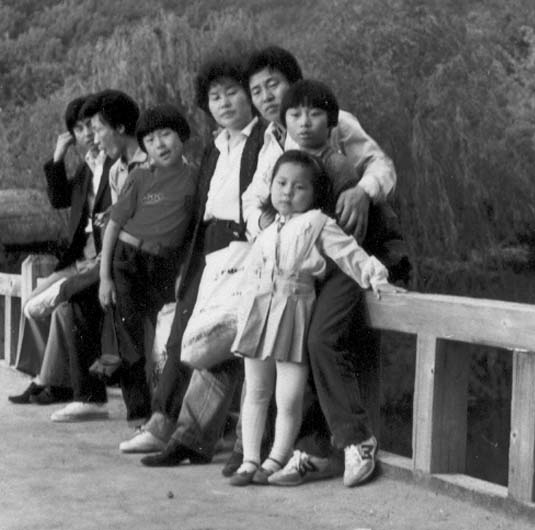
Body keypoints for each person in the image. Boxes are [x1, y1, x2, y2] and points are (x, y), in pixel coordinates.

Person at [238, 47, 397, 487]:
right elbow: (254, 199)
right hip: (303, 265)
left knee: (321, 337)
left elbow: (381, 166)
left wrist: (362, 192)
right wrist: (270, 227)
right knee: (293, 343)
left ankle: (352, 440)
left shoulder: (338, 132)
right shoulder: (271, 142)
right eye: (257, 90)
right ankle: (306, 449)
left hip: (348, 252)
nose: (267, 97)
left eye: (274, 84)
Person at [134, 55, 266, 462]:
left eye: (232, 93)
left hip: (244, 246)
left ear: (248, 95)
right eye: (215, 97)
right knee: (184, 335)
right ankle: (167, 424)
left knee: (220, 340)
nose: (224, 103)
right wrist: (187, 264)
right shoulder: (215, 146)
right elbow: (199, 210)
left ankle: (190, 436)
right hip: (208, 247)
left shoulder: (264, 138)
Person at [49, 90, 149, 423]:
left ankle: (141, 410)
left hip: (141, 258)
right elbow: (68, 203)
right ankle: (89, 396)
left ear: (118, 127)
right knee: (76, 297)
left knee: (79, 294)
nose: (93, 137)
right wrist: (104, 274)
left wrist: (105, 271)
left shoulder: (142, 163)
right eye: (84, 129)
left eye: (96, 128)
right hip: (113, 258)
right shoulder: (115, 168)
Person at [93, 104, 196, 424]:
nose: (159, 145)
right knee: (131, 339)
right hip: (128, 260)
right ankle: (138, 412)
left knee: (168, 338)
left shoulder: (196, 178)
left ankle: (169, 410)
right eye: (150, 140)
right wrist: (105, 278)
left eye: (166, 135)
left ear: (181, 136)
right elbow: (113, 226)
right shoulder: (139, 177)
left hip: (166, 265)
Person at [9, 94, 112, 405]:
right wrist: (57, 158)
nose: (87, 134)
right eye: (79, 129)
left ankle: (50, 381)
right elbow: (59, 200)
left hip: (100, 260)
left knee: (60, 306)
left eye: (91, 126)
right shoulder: (85, 168)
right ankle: (57, 377)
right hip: (79, 259)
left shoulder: (114, 163)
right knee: (31, 306)